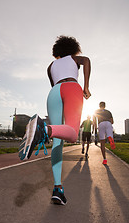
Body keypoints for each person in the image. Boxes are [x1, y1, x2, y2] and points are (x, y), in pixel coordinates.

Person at [19, 35, 91, 205]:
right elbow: (86, 60)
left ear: (56, 51)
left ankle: (58, 189)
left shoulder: (50, 66)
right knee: (72, 133)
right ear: (72, 48)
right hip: (72, 87)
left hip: (53, 93)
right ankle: (43, 129)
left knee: (58, 141)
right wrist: (86, 86)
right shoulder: (74, 58)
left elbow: (54, 85)